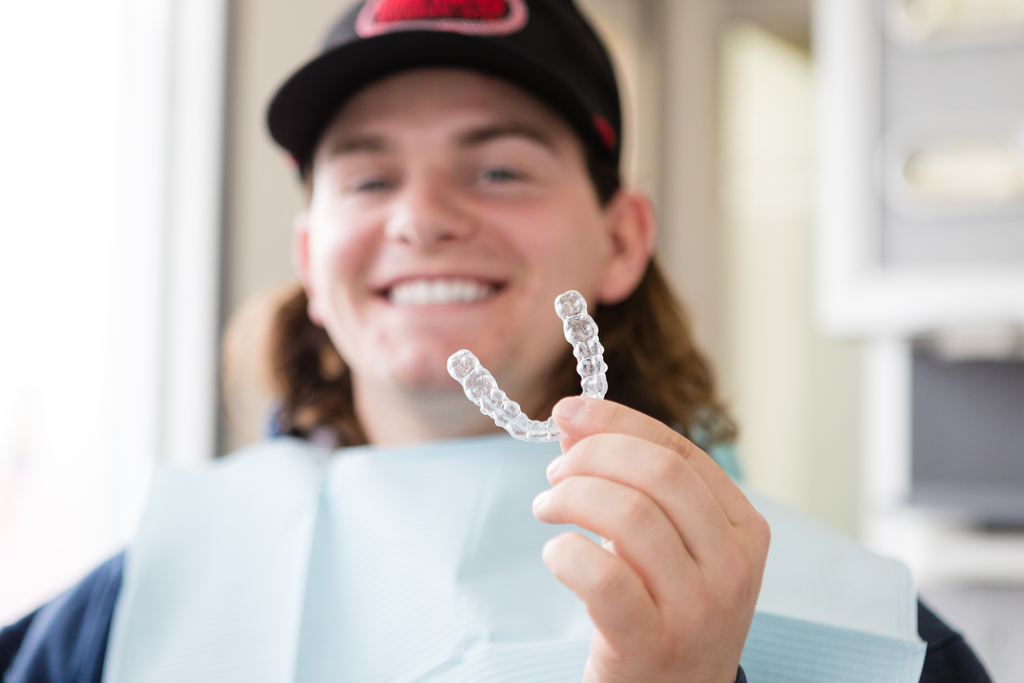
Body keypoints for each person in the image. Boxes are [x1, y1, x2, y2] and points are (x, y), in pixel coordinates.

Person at [0, 1, 993, 682]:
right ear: (311, 259)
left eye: (500, 170)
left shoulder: (867, 633)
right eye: (369, 176)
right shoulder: (128, 610)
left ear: (620, 239)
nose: (422, 217)